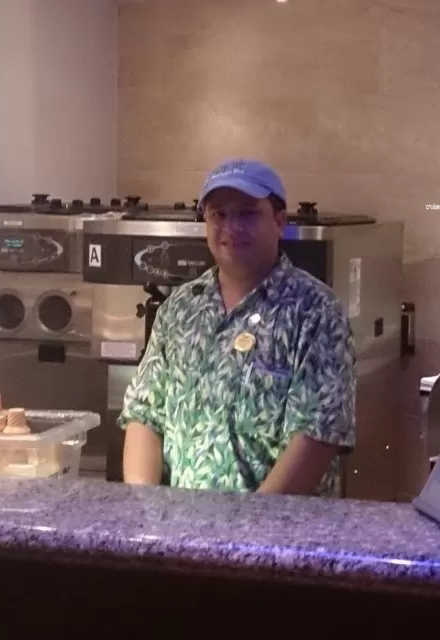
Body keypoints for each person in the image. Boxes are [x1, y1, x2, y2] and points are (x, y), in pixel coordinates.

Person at [119, 158, 356, 496]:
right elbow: (144, 415)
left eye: (248, 214)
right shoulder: (180, 308)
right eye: (219, 214)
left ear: (279, 221)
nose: (231, 227)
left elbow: (316, 435)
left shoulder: (316, 313)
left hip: (278, 527)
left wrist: (249, 524)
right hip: (180, 525)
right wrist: (144, 506)